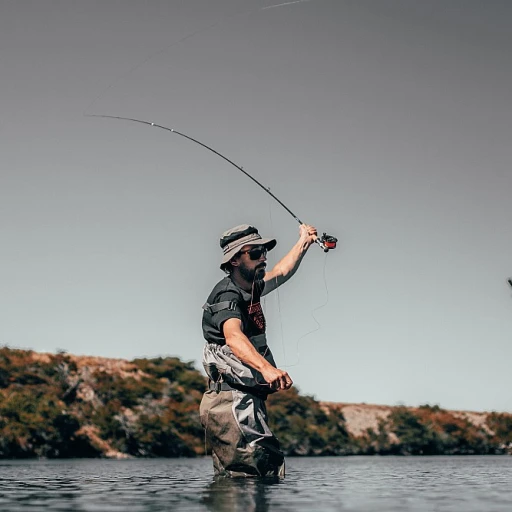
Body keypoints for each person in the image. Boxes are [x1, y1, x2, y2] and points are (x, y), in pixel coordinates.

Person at [200, 222, 318, 478]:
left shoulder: (251, 289)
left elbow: (281, 271)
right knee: (258, 474)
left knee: (244, 482)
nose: (263, 257)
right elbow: (233, 337)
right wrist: (267, 369)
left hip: (244, 401)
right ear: (234, 260)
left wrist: (303, 243)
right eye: (254, 253)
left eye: (264, 251)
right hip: (231, 401)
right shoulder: (227, 295)